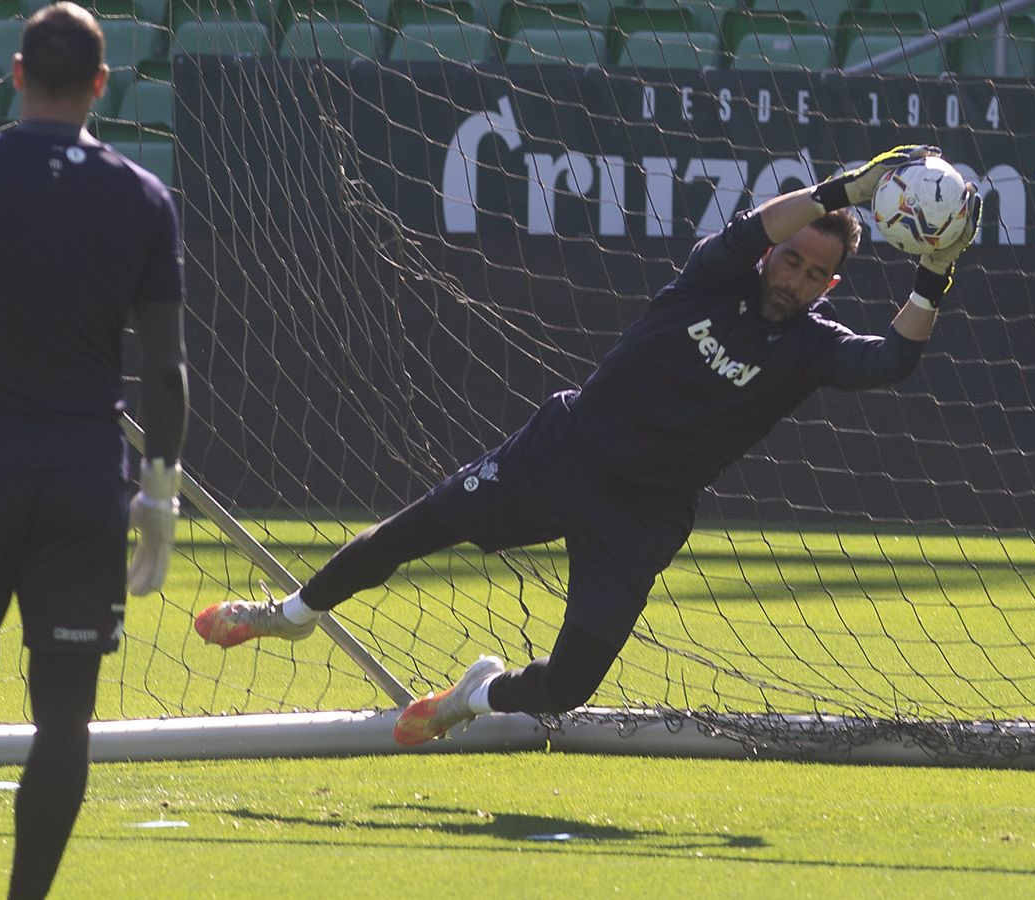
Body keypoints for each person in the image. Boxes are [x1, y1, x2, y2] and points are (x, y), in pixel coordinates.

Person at [195, 145, 979, 746]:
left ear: (830, 286)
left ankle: (475, 697)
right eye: (792, 260)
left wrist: (933, 278)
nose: (797, 278)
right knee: (417, 530)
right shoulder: (711, 278)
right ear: (771, 253)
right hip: (567, 447)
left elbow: (890, 360)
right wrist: (845, 190)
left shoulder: (811, 347)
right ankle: (294, 612)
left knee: (569, 684)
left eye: (816, 274)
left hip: (644, 513)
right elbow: (748, 230)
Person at [0, 4, 188, 897]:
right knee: (63, 721)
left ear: (16, 72)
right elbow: (165, 370)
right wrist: (158, 499)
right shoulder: (144, 198)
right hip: (81, 481)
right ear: (101, 85)